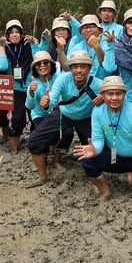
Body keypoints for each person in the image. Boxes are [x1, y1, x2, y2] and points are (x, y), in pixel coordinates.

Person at [27, 51, 103, 186]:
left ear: (89, 68)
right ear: (71, 68)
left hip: (86, 118)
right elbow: (52, 99)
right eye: (75, 67)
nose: (78, 70)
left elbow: (119, 97)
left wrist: (104, 99)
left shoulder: (98, 84)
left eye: (83, 66)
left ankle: (96, 177)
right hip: (64, 114)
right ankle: (42, 176)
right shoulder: (63, 79)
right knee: (34, 140)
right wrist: (46, 103)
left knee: (97, 148)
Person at [0, 19, 42, 153]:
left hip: (30, 87)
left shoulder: (28, 45)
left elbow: (40, 56)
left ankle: (35, 144)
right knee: (17, 119)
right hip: (15, 89)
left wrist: (35, 43)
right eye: (12, 32)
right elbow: (1, 66)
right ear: (8, 34)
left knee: (35, 116)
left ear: (21, 34)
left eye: (17, 32)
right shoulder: (5, 47)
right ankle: (14, 148)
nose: (15, 35)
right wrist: (2, 47)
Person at [68, 14, 107, 79]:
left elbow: (109, 67)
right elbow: (68, 68)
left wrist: (97, 48)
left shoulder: (108, 44)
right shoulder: (77, 48)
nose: (88, 30)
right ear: (80, 32)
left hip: (105, 84)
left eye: (92, 26)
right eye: (84, 27)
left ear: (100, 30)